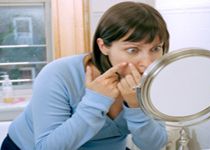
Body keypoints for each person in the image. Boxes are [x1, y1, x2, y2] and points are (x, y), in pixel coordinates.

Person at [1, 1, 170, 150]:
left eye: (155, 49)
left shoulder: (152, 78)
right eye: (133, 50)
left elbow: (154, 145)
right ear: (103, 46)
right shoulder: (59, 74)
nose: (147, 63)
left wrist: (136, 108)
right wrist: (96, 102)